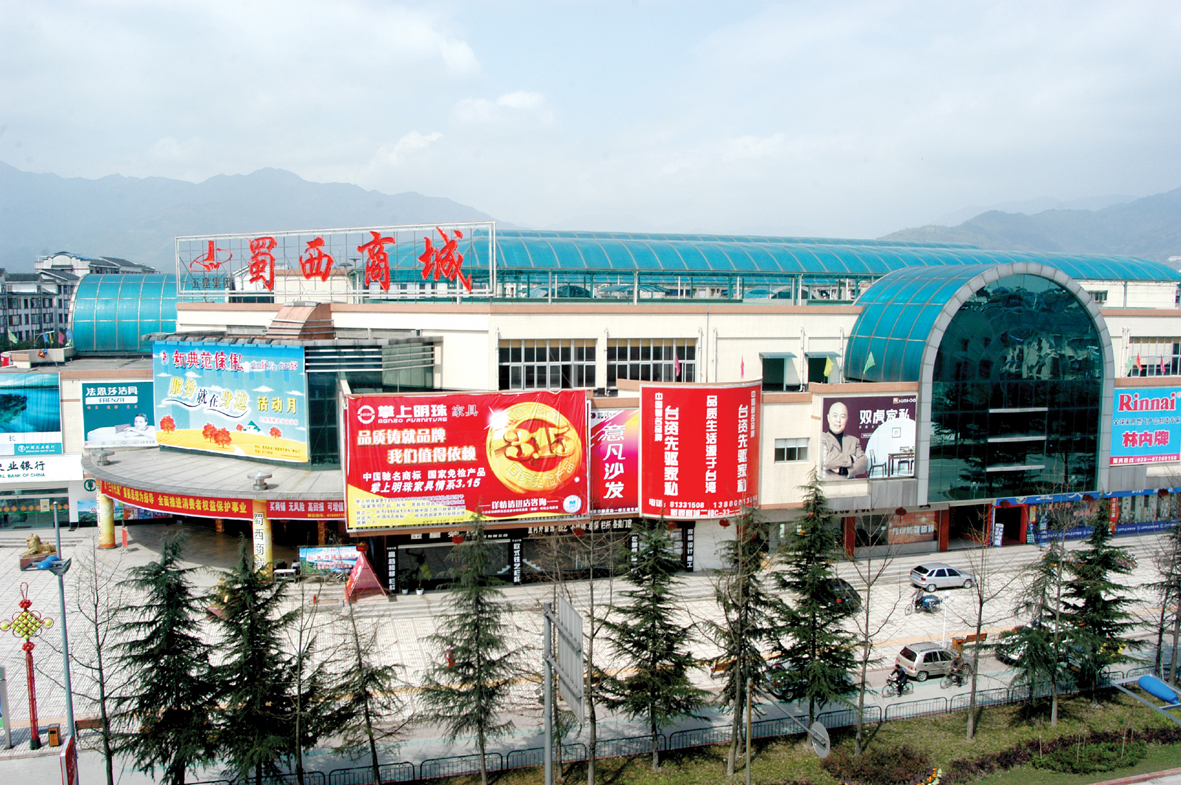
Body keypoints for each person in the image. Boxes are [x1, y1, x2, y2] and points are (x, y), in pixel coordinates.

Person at [822, 401, 867, 478]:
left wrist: (845, 471)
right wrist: (851, 459)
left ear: (847, 419)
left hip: (850, 484)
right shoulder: (821, 438)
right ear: (828, 417)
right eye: (835, 416)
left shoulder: (854, 441)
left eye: (842, 417)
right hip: (828, 485)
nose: (838, 420)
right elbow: (826, 460)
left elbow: (864, 463)